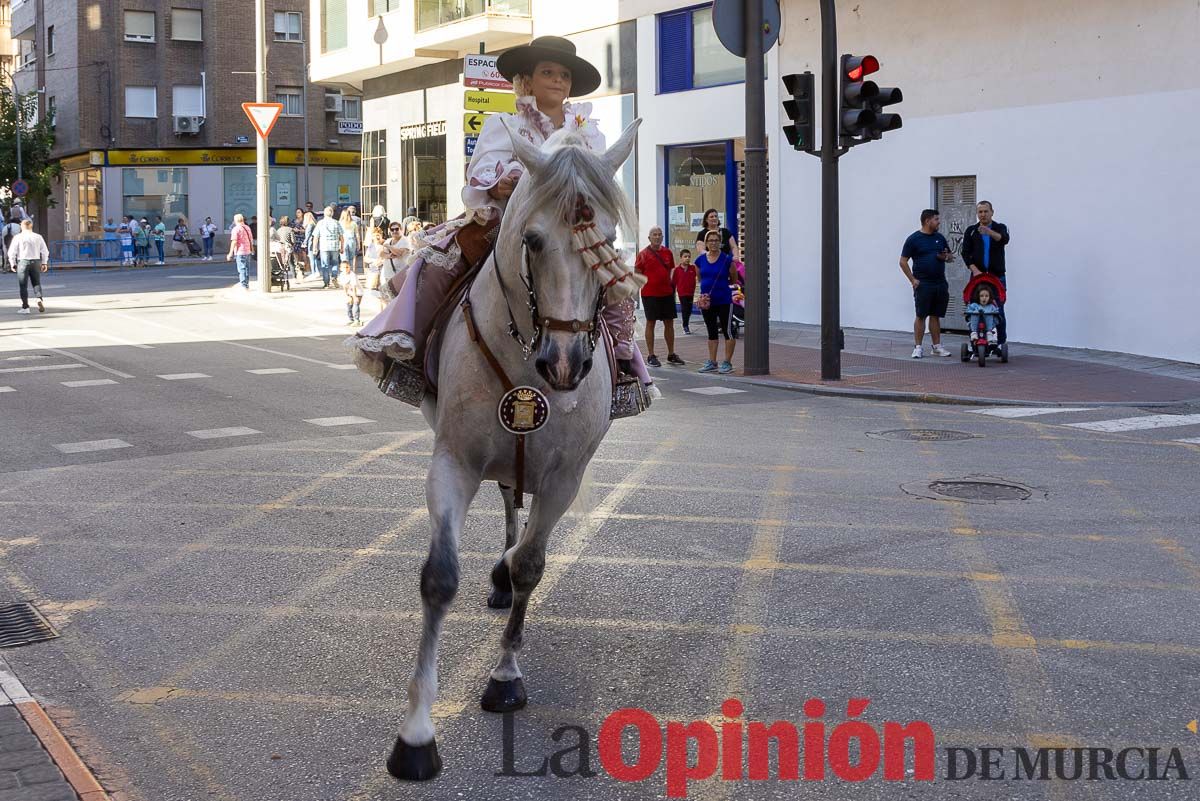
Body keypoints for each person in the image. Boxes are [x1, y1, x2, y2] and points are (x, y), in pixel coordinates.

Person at [351, 36, 658, 398]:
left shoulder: (589, 132)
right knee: (442, 263)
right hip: (507, 221)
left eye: (564, 75)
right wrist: (500, 183)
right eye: (548, 72)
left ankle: (622, 363)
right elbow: (481, 167)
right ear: (527, 80)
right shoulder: (506, 123)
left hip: (575, 228)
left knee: (616, 280)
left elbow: (598, 181)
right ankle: (410, 350)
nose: (558, 80)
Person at [899, 209, 956, 358]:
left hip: (940, 282)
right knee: (921, 315)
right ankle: (918, 347)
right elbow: (903, 261)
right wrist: (912, 279)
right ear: (927, 221)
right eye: (936, 219)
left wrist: (946, 257)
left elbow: (950, 257)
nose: (939, 222)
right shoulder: (914, 239)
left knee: (935, 315)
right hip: (923, 283)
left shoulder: (940, 238)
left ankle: (937, 346)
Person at [961, 200, 1011, 345]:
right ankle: (975, 341)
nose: (982, 215)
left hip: (997, 276)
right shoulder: (971, 230)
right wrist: (974, 270)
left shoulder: (1000, 227)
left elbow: (1004, 239)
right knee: (974, 309)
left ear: (992, 212)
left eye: (985, 211)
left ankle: (1001, 342)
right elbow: (965, 253)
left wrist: (989, 232)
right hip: (978, 277)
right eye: (980, 212)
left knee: (998, 309)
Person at [635, 226, 684, 366]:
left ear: (662, 237)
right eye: (654, 235)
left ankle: (671, 353)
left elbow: (670, 271)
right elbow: (637, 273)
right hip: (649, 294)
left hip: (666, 293)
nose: (657, 237)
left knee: (669, 323)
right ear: (649, 238)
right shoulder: (643, 254)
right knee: (651, 323)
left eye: (659, 235)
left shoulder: (668, 253)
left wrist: (669, 285)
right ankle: (651, 355)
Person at [694, 230, 739, 373]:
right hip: (707, 301)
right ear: (706, 243)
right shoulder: (700, 260)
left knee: (727, 331)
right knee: (711, 331)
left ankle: (727, 362)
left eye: (716, 240)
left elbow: (733, 278)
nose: (713, 243)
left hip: (724, 300)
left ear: (720, 243)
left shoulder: (727, 259)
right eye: (710, 240)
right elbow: (700, 278)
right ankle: (712, 361)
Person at [6, 219, 49, 314]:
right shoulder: (38, 236)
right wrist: (44, 263)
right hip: (36, 261)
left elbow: (12, 252)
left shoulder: (18, 237)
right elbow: (45, 251)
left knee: (23, 285)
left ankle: (25, 307)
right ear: (31, 226)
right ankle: (39, 299)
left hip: (23, 262)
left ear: (22, 226)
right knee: (36, 283)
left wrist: (12, 263)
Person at [306, 206, 343, 288]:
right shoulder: (336, 222)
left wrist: (315, 248)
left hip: (324, 247)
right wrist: (342, 246)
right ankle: (334, 277)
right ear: (332, 213)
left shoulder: (320, 223)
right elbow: (341, 236)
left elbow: (316, 237)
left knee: (325, 265)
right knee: (335, 263)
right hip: (335, 246)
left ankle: (326, 283)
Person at [226, 213, 255, 289]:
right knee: (246, 268)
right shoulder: (247, 228)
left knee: (242, 269)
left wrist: (230, 253)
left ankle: (244, 286)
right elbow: (251, 240)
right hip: (248, 250)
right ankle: (246, 284)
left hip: (240, 251)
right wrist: (252, 249)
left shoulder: (236, 229)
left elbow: (234, 241)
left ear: (235, 220)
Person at [673, 248, 697, 334]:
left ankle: (686, 323)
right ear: (681, 258)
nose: (687, 258)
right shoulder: (677, 270)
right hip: (682, 293)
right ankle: (685, 326)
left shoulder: (693, 268)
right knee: (684, 308)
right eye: (685, 256)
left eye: (689, 257)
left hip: (691, 292)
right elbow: (674, 282)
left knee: (689, 309)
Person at [339, 260, 363, 326]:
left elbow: (354, 286)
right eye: (344, 267)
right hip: (350, 292)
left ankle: (357, 320)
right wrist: (346, 295)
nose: (346, 269)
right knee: (349, 305)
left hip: (357, 292)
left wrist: (355, 297)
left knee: (356, 304)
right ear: (340, 269)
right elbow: (344, 286)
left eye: (347, 267)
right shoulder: (341, 275)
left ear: (350, 267)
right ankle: (351, 319)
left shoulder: (352, 275)